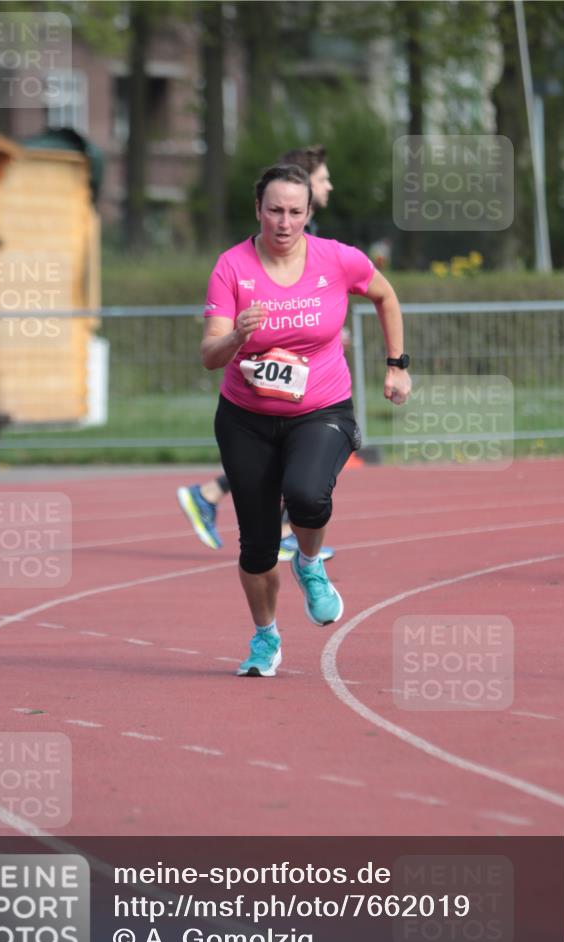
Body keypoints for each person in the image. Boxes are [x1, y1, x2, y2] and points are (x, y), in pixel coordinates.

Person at [200, 163, 410, 677]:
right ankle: (265, 638)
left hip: (321, 408)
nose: (284, 222)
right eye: (274, 210)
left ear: (308, 213)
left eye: (295, 211)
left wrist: (397, 365)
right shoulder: (232, 267)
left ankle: (311, 565)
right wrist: (236, 338)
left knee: (308, 493)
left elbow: (385, 295)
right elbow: (209, 354)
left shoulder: (338, 259)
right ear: (258, 210)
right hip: (246, 418)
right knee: (256, 547)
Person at [177, 145, 335, 561]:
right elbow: (218, 343)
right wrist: (247, 332)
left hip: (303, 387)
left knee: (306, 458)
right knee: (285, 462)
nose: (329, 186)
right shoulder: (252, 253)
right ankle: (263, 522)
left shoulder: (314, 243)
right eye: (322, 178)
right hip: (258, 394)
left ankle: (216, 496)